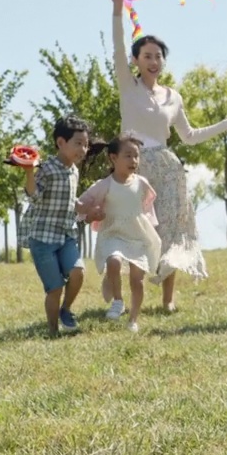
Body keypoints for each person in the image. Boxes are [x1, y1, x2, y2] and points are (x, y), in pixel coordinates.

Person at [108, 0, 227, 312]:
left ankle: (168, 299)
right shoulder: (128, 86)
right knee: (136, 231)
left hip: (168, 170)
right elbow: (116, 46)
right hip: (134, 168)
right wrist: (116, 8)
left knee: (170, 230)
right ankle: (122, 298)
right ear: (136, 61)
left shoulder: (173, 97)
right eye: (147, 56)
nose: (153, 61)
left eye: (158, 56)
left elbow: (189, 136)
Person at [16, 115, 96, 334]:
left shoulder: (75, 171)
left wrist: (86, 209)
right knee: (55, 288)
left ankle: (66, 310)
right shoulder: (47, 168)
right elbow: (33, 196)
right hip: (43, 239)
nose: (83, 149)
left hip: (65, 235)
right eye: (78, 143)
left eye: (86, 144)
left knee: (78, 272)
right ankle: (52, 331)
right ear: (61, 143)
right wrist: (29, 171)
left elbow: (71, 202)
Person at [77, 133, 160, 333]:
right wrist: (91, 213)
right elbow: (81, 204)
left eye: (136, 156)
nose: (134, 161)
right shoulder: (104, 185)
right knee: (113, 261)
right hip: (113, 232)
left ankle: (133, 320)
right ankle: (118, 301)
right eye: (128, 155)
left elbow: (148, 207)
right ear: (113, 158)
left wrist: (151, 226)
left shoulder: (141, 183)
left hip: (137, 236)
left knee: (137, 281)